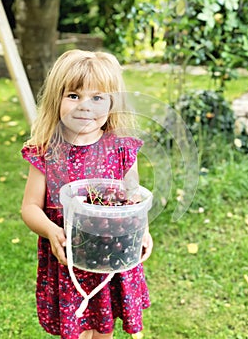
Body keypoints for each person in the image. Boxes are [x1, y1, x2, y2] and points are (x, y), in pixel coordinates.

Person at [21, 49, 153, 339]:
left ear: (111, 104)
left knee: (104, 326)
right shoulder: (47, 152)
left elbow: (133, 203)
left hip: (111, 253)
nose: (85, 107)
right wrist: (52, 231)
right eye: (73, 96)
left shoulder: (122, 150)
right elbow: (29, 207)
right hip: (69, 255)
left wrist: (142, 232)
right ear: (57, 99)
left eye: (97, 98)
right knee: (77, 329)